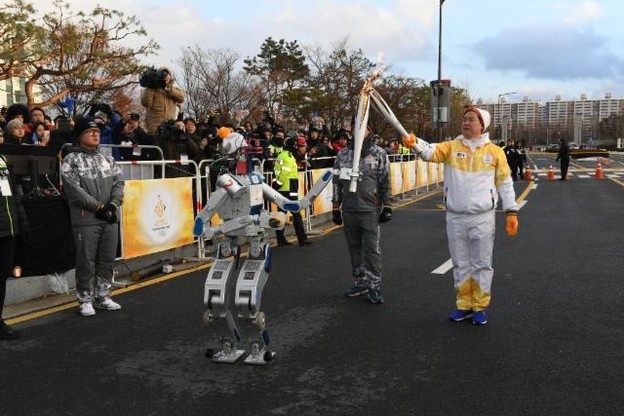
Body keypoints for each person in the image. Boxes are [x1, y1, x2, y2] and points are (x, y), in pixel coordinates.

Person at [402, 106, 518, 325]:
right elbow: (430, 152)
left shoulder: (494, 152)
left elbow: (505, 183)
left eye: (471, 119)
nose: (466, 123)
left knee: (482, 264)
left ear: (482, 125)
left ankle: (479, 307)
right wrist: (415, 143)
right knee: (460, 263)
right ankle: (464, 305)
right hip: (455, 217)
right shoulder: (452, 147)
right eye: (464, 119)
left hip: (482, 217)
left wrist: (511, 210)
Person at [60, 118, 125, 317]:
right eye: (90, 131)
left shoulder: (108, 159)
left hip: (109, 217)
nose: (96, 134)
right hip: (85, 218)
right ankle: (85, 298)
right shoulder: (71, 160)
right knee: (86, 260)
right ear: (79, 136)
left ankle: (103, 295)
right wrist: (97, 207)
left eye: (97, 131)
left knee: (107, 258)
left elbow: (119, 183)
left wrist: (113, 205)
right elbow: (73, 190)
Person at [332, 124, 393, 304]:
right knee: (354, 248)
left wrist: (387, 205)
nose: (358, 130)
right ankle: (360, 281)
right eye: (355, 126)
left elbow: (385, 180)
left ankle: (374, 285)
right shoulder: (343, 155)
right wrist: (336, 208)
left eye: (362, 126)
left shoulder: (378, 153)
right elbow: (336, 183)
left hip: (369, 210)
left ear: (370, 131)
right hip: (349, 209)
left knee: (371, 249)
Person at [0, 152, 30, 340]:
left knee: (1, 278)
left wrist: (22, 220)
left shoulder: (2, 159)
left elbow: (13, 195)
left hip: (7, 230)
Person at [272, 137, 311, 247]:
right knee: (295, 213)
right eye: (294, 145)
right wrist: (278, 184)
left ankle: (281, 239)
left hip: (288, 187)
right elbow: (281, 172)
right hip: (287, 188)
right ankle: (302, 239)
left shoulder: (287, 155)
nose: (296, 147)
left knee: (282, 214)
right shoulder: (285, 156)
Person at [141, 67, 186, 136]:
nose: (165, 76)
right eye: (162, 74)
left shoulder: (173, 89)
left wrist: (168, 89)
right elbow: (146, 103)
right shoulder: (152, 89)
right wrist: (151, 86)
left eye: (166, 74)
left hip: (169, 127)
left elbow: (181, 98)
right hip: (155, 127)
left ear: (170, 76)